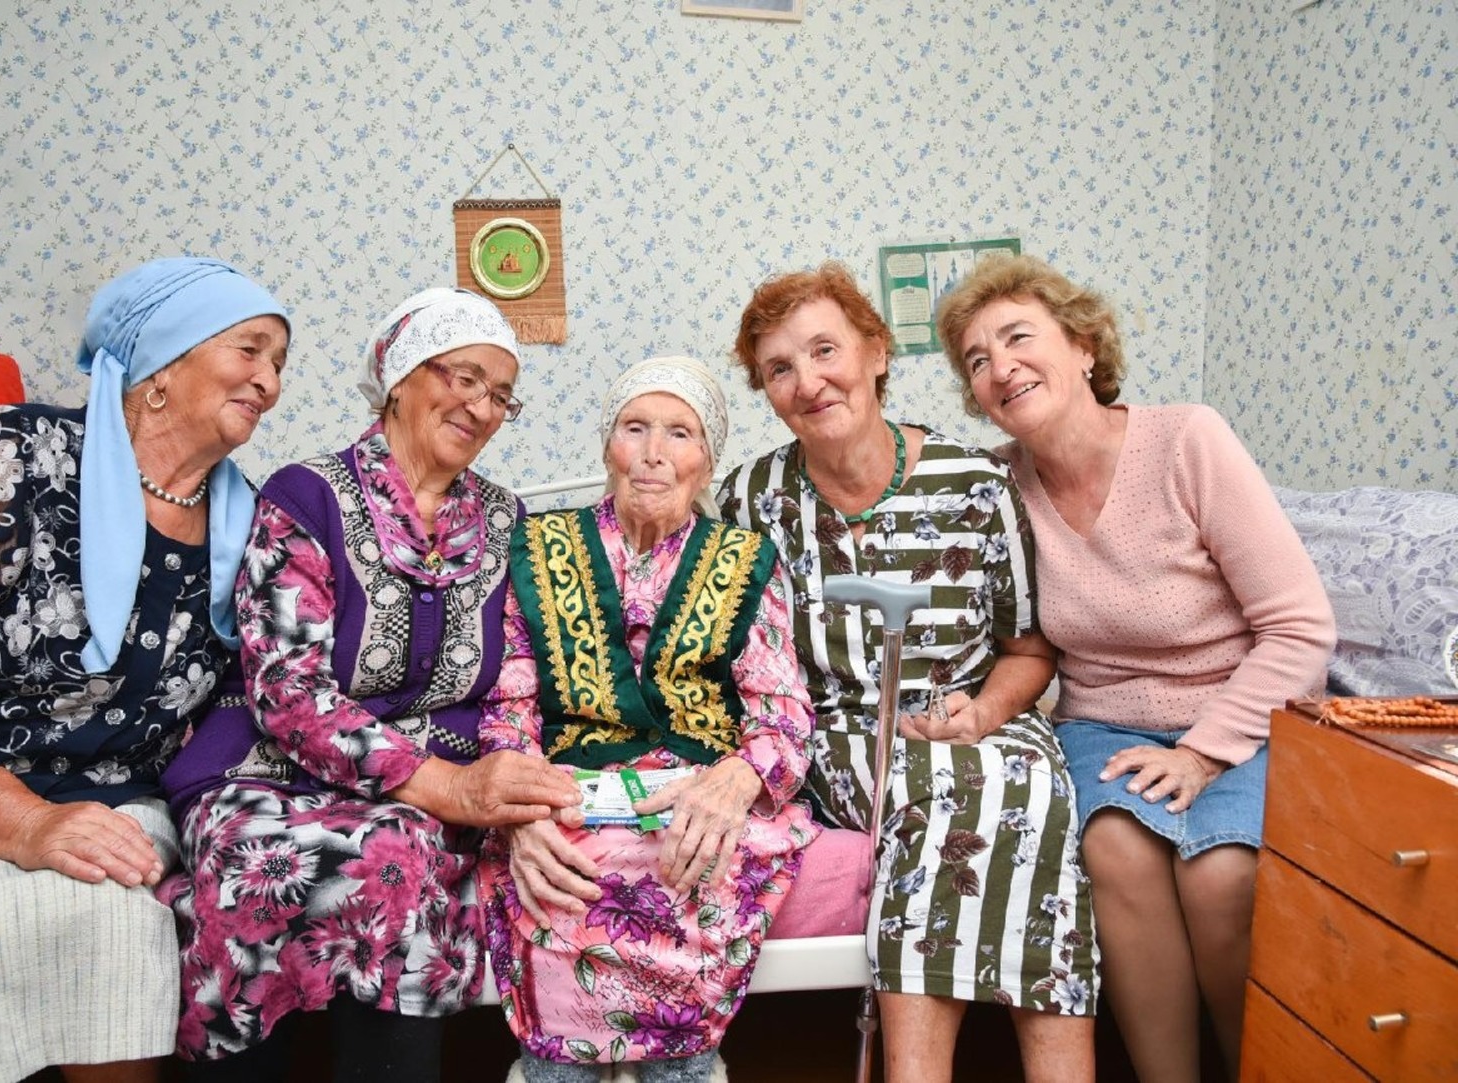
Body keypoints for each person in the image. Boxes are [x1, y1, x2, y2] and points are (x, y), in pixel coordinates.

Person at [0, 257, 290, 1082]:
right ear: (162, 367)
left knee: (121, 934)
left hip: (113, 799)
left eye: (278, 363)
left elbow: (253, 697)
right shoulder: (25, 452)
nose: (269, 382)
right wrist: (22, 821)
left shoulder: (252, 522)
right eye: (250, 350)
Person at [159, 287, 583, 1083]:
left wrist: (500, 783)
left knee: (404, 848)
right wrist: (445, 785)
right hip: (274, 771)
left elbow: (516, 681)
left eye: (501, 395)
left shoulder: (506, 520)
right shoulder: (306, 495)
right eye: (464, 377)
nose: (482, 407)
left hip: (432, 799)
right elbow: (287, 688)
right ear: (400, 378)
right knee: (258, 859)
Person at [934, 254, 1334, 1082]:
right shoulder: (997, 486)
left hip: (1242, 710)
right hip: (1103, 719)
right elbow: (1005, 632)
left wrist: (1202, 753)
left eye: (1018, 337)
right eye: (977, 359)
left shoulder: (1187, 439)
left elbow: (1300, 627)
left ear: (1084, 346)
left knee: (1222, 874)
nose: (1001, 366)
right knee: (1115, 847)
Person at [718, 263, 1099, 1083]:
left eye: (826, 350)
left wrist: (982, 714)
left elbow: (1030, 650)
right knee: (938, 791)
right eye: (780, 368)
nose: (808, 382)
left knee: (1036, 792)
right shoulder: (750, 501)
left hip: (982, 714)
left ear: (878, 351)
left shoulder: (977, 485)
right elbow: (726, 656)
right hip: (841, 733)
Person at [479, 356, 818, 1083]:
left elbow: (783, 711)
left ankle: (683, 1066)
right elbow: (508, 703)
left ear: (707, 461)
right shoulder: (536, 548)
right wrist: (520, 812)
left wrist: (735, 781)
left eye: (679, 433)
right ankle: (557, 1071)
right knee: (560, 863)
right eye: (635, 428)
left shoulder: (745, 559)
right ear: (608, 445)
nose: (654, 452)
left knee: (695, 848)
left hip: (698, 786)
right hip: (565, 786)